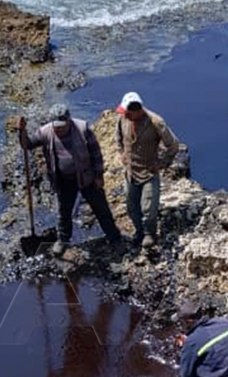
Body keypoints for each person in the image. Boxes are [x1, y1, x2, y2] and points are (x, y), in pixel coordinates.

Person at [19, 103, 122, 257]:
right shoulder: (46, 132)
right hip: (63, 180)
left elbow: (96, 154)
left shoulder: (83, 129)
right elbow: (27, 145)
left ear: (69, 121)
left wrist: (99, 176)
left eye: (62, 125)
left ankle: (115, 239)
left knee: (102, 210)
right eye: (56, 126)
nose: (59, 129)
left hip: (87, 177)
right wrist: (21, 132)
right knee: (64, 212)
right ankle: (63, 240)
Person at [116, 91, 180, 249]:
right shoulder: (123, 118)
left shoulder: (155, 122)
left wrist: (162, 163)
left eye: (128, 112)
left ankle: (149, 233)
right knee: (131, 207)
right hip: (130, 172)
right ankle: (139, 231)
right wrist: (122, 153)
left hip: (149, 172)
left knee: (148, 208)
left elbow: (173, 145)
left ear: (137, 110)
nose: (125, 115)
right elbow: (118, 137)